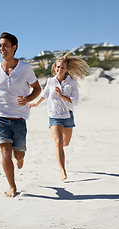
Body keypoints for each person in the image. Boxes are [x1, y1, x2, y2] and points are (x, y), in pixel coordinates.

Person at [0, 32, 41, 197]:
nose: (1, 48)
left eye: (5, 45)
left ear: (14, 47)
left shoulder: (25, 68)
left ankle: (20, 158)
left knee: (18, 154)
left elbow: (37, 89)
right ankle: (12, 186)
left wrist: (27, 99)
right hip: (0, 115)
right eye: (0, 45)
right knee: (5, 152)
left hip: (20, 118)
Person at [30, 50, 89, 181]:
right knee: (59, 142)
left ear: (66, 69)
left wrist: (62, 95)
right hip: (54, 114)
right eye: (58, 67)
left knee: (66, 143)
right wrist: (35, 104)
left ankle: (62, 153)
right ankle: (63, 171)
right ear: (54, 68)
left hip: (67, 115)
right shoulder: (51, 81)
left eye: (62, 67)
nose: (60, 69)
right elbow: (45, 94)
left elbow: (76, 100)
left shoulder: (71, 82)